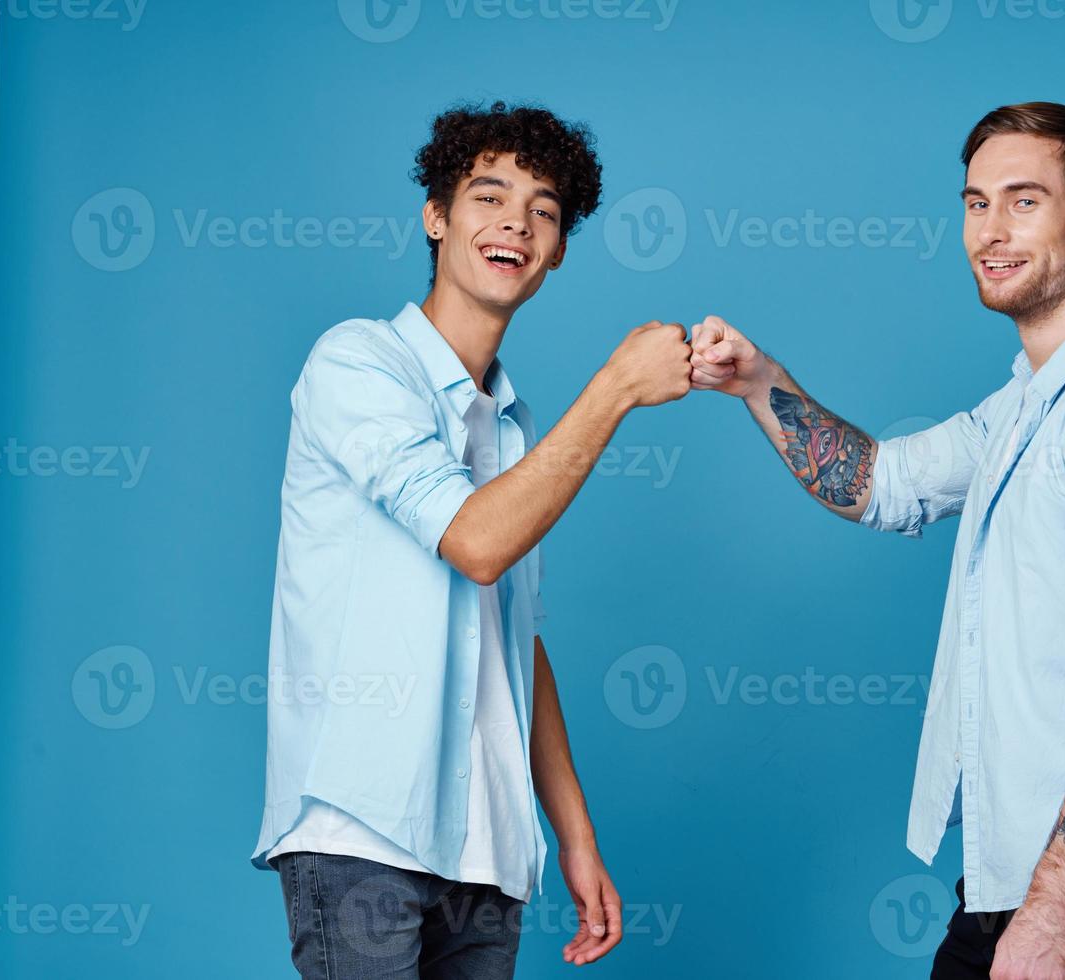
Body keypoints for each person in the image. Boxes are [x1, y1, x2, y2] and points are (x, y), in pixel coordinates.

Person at [689, 102, 1065, 979]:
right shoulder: (1026, 403)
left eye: (1023, 201)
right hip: (1029, 876)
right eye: (976, 203)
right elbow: (880, 484)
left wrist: (1052, 905)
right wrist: (759, 384)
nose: (989, 230)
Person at [251, 100, 693, 979]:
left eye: (543, 210)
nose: (515, 223)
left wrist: (575, 836)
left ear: (558, 249)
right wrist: (615, 388)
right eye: (488, 195)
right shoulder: (357, 363)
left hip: (488, 857)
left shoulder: (517, 431)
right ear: (437, 216)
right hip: (361, 836)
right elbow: (475, 543)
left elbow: (514, 644)